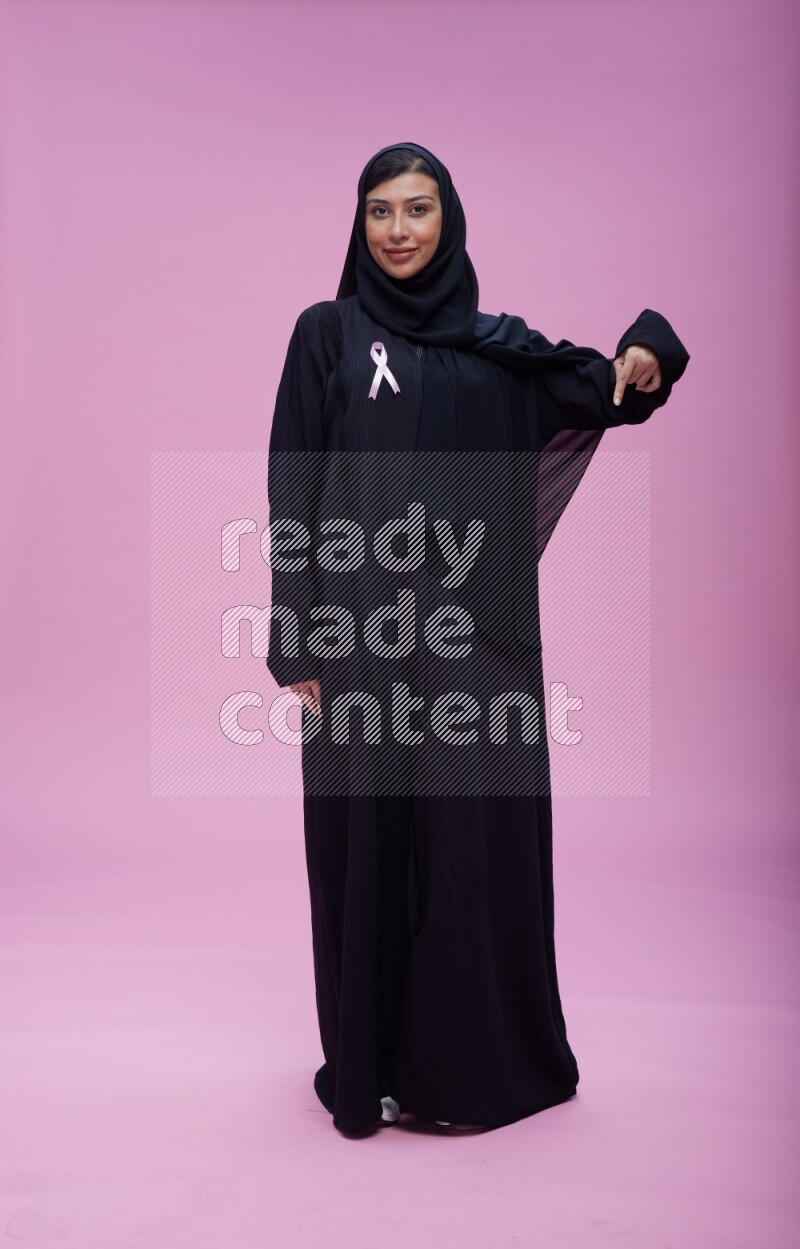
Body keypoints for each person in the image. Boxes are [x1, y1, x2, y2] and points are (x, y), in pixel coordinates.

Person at [266, 142, 690, 1134]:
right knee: (363, 848)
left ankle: (460, 1072)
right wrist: (299, 639)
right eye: (380, 211)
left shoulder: (493, 352)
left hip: (468, 652)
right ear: (359, 224)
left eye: (418, 209)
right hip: (358, 649)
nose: (400, 230)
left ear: (447, 221)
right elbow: (293, 486)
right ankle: (369, 1065)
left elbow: (605, 389)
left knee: (465, 850)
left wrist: (644, 351)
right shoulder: (327, 334)